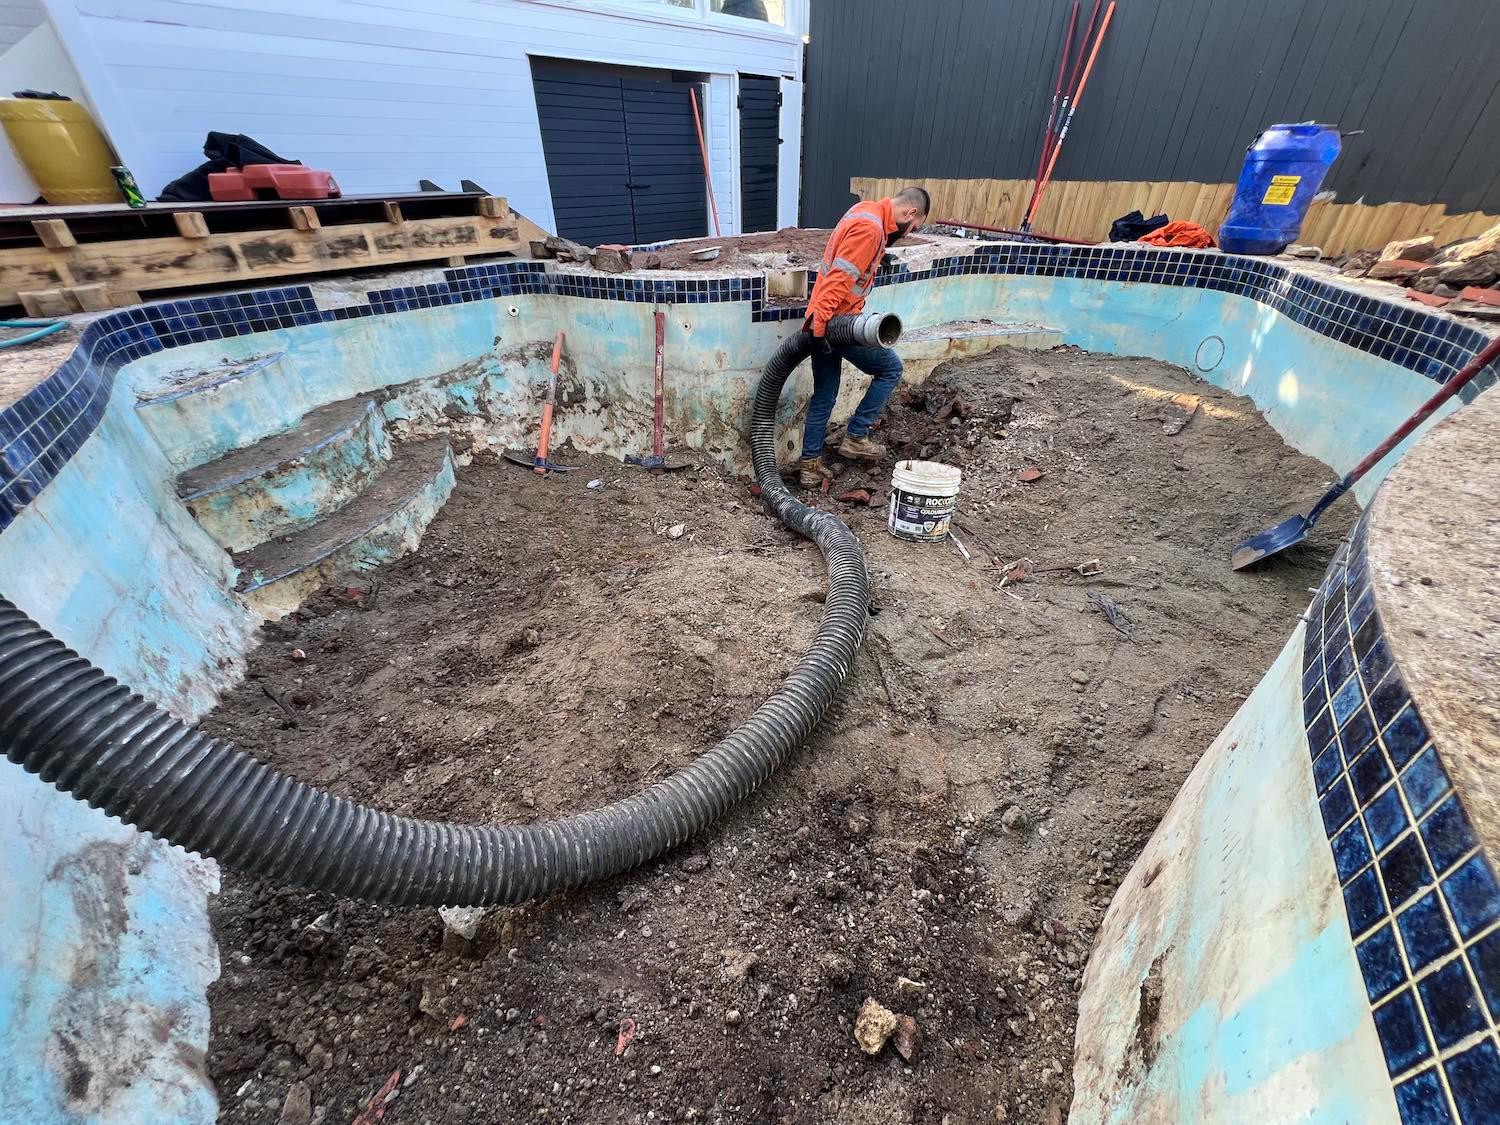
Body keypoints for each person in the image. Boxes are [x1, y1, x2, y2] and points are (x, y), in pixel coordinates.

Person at [798, 185, 930, 488]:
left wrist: (874, 257)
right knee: (890, 369)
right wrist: (821, 330)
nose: (908, 233)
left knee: (824, 395)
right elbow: (839, 279)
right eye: (913, 227)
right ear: (910, 212)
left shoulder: (864, 211)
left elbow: (847, 262)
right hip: (836, 323)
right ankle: (857, 436)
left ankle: (809, 466)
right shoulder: (870, 230)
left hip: (824, 318)